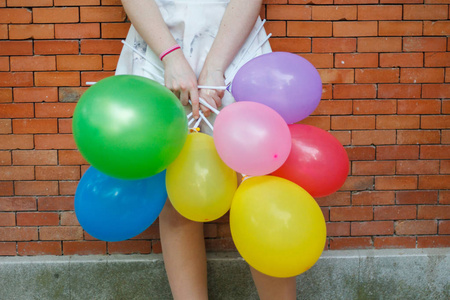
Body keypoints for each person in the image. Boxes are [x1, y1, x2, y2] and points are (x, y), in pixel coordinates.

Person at [116, 1, 297, 299]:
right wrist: (171, 57)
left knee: (259, 186)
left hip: (235, 44)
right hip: (158, 44)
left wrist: (215, 67)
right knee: (177, 192)